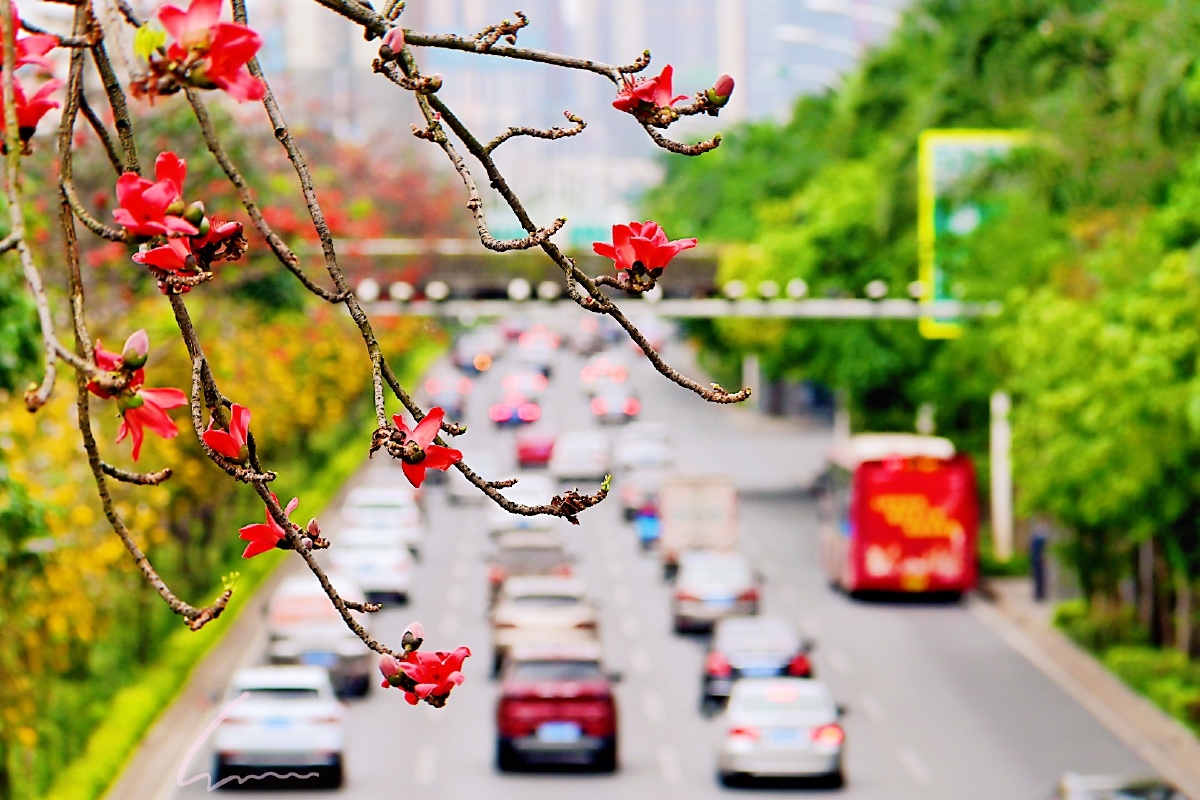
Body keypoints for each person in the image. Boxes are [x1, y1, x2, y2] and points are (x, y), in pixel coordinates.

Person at [1030, 520, 1049, 602]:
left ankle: (1038, 594)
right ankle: (1039, 595)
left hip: (1035, 561)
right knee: (1040, 578)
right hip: (1039, 561)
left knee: (1038, 578)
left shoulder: (1035, 539)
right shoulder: (1040, 539)